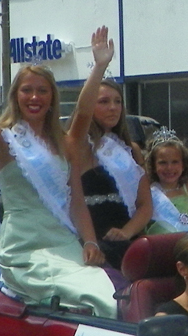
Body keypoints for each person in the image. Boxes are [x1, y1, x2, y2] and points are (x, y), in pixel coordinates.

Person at [0, 26, 117, 318]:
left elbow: (76, 202)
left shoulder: (63, 142)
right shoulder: (3, 136)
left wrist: (91, 241)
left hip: (63, 241)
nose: (34, 97)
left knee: (107, 293)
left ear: (51, 98)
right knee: (93, 297)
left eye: (42, 90)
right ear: (16, 96)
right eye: (27, 90)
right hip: (25, 245)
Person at [66, 76, 153, 269]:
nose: (113, 107)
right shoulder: (79, 148)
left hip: (127, 241)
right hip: (90, 242)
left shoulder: (131, 150)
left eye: (117, 101)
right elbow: (81, 113)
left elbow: (145, 204)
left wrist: (127, 232)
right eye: (104, 102)